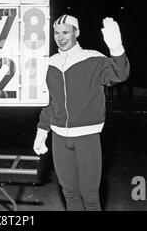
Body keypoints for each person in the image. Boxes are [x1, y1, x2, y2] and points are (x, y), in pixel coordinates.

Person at [33, 14, 130, 211]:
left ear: (76, 33)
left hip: (87, 136)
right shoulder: (50, 63)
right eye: (57, 33)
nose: (61, 37)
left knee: (90, 195)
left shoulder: (93, 59)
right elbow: (50, 101)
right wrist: (42, 130)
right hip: (59, 137)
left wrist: (116, 49)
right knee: (69, 193)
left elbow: (120, 74)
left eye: (66, 32)